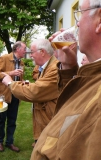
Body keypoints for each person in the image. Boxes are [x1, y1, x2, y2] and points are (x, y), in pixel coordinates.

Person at [31, 0, 101, 159]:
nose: (76, 25)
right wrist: (69, 68)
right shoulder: (94, 75)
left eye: (80, 14)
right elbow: (74, 111)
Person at [2, 39, 60, 147]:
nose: (30, 55)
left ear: (42, 52)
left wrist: (10, 83)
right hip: (45, 122)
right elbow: (40, 87)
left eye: (32, 52)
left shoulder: (54, 69)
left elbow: (36, 92)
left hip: (50, 124)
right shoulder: (46, 67)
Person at [0, 41, 26, 152]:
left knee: (12, 121)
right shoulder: (4, 58)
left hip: (15, 94)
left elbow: (19, 78)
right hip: (3, 95)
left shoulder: (21, 63)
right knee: (1, 120)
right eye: (24, 49)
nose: (26, 51)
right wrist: (10, 73)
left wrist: (23, 83)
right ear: (17, 49)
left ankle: (9, 143)